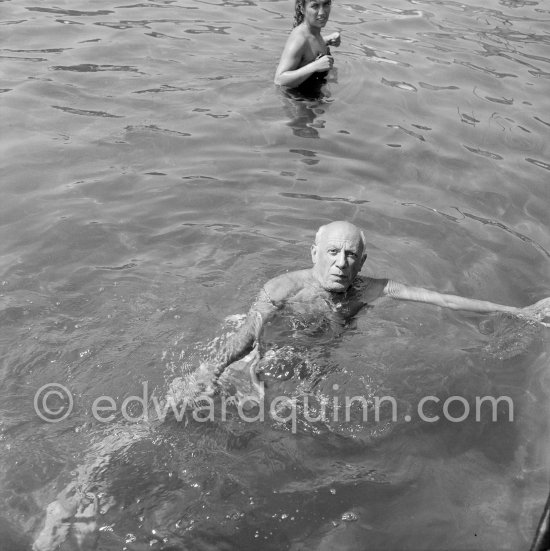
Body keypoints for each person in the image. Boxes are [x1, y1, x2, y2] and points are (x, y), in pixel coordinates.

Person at [198, 221, 549, 392]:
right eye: (333, 253)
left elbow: (442, 299)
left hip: (318, 353)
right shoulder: (285, 287)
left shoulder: (373, 289)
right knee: (219, 391)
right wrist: (208, 372)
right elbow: (248, 334)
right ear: (314, 254)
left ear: (361, 262)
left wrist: (519, 311)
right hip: (264, 350)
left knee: (300, 405)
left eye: (350, 255)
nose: (340, 263)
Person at [274, 0, 341, 89]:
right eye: (315, 6)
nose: (322, 12)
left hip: (314, 96)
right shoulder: (299, 39)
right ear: (302, 8)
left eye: (326, 4)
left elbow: (308, 48)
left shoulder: (313, 32)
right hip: (299, 100)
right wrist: (315, 66)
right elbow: (279, 80)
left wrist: (327, 40)